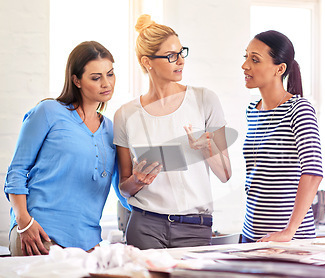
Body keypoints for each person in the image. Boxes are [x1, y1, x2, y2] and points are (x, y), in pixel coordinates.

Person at [113, 14, 231, 249]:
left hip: (195, 227)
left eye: (181, 52)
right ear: (147, 62)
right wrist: (137, 181)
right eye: (171, 56)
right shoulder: (125, 115)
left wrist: (207, 148)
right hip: (144, 226)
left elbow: (226, 174)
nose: (180, 61)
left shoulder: (204, 100)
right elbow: (123, 188)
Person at [4, 41, 129, 256]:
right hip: (40, 236)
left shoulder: (112, 129)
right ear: (76, 80)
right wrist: (23, 222)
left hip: (88, 242)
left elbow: (121, 189)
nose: (106, 83)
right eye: (96, 77)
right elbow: (16, 171)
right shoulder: (48, 111)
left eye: (110, 74)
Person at [241, 30, 323, 243]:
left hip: (288, 240)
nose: (245, 66)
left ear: (280, 69)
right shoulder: (253, 110)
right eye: (246, 57)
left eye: (255, 59)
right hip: (251, 236)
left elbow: (313, 173)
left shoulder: (299, 109)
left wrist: (289, 232)